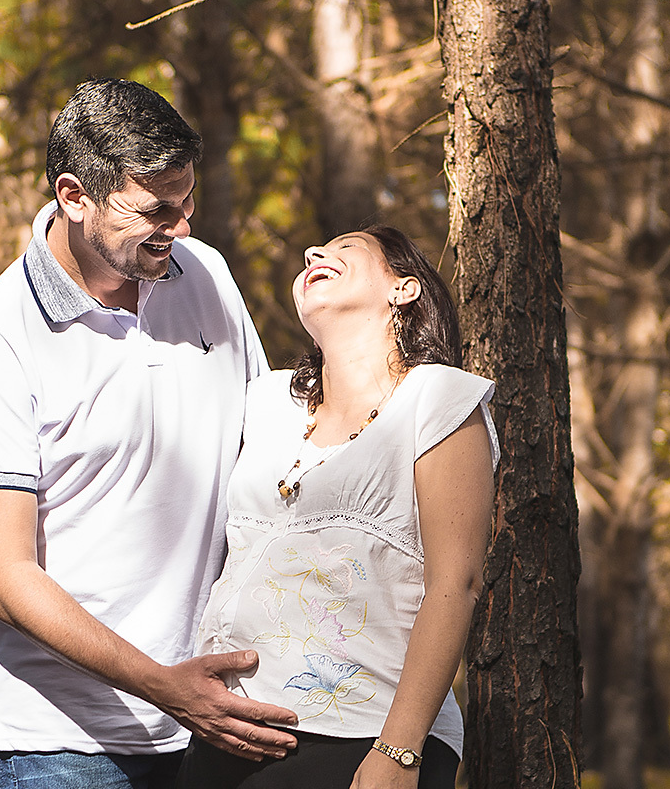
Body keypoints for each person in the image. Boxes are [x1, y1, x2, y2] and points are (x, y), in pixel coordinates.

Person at [0, 78, 299, 789]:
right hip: (62, 742)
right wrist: (165, 686)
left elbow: (268, 449)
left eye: (188, 202)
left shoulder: (207, 276)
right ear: (75, 196)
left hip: (215, 717)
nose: (183, 227)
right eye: (156, 209)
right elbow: (5, 580)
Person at [177, 225, 499, 789]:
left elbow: (458, 582)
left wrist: (398, 751)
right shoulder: (267, 401)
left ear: (403, 290)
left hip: (363, 734)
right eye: (314, 250)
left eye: (346, 248)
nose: (313, 253)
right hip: (224, 728)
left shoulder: (438, 398)